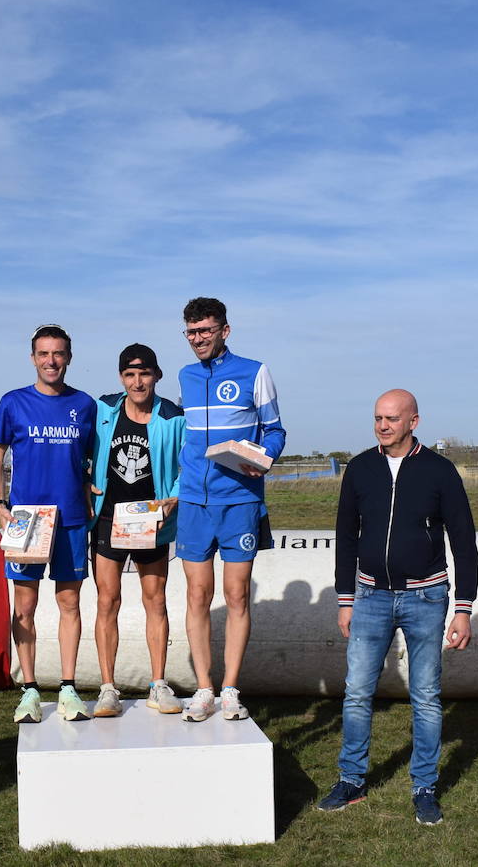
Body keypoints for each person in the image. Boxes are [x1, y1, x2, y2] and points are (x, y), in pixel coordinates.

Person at [318, 389, 478, 827]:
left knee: (425, 696)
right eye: (377, 418)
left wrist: (462, 607)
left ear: (414, 421)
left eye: (391, 418)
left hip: (426, 598)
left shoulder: (440, 471)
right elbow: (345, 536)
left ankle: (424, 787)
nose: (383, 425)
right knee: (356, 693)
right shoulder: (360, 469)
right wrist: (345, 599)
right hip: (369, 598)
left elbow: (464, 543)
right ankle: (351, 780)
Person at [175, 297, 285, 722]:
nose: (198, 339)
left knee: (236, 595)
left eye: (205, 330)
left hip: (239, 500)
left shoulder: (255, 372)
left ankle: (230, 690)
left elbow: (275, 430)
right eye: (191, 332)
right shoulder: (185, 376)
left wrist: (263, 458)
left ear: (225, 330)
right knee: (197, 595)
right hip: (193, 502)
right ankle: (203, 688)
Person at [0, 324, 97, 724]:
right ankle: (30, 690)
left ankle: (68, 688)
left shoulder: (85, 405)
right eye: (44, 354)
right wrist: (0, 503)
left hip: (70, 519)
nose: (51, 361)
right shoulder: (13, 403)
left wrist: (90, 490)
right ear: (33, 358)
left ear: (69, 357)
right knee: (25, 607)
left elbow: (89, 462)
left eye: (59, 353)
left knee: (69, 603)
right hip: (27, 521)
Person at [88, 344, 185, 717]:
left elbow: (186, 464)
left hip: (152, 520)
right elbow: (80, 449)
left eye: (144, 374)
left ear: (156, 376)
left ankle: (158, 684)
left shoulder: (173, 417)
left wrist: (173, 498)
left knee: (155, 600)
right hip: (109, 518)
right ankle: (108, 688)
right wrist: (84, 479)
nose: (137, 381)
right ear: (121, 378)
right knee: (107, 601)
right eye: (130, 375)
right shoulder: (103, 410)